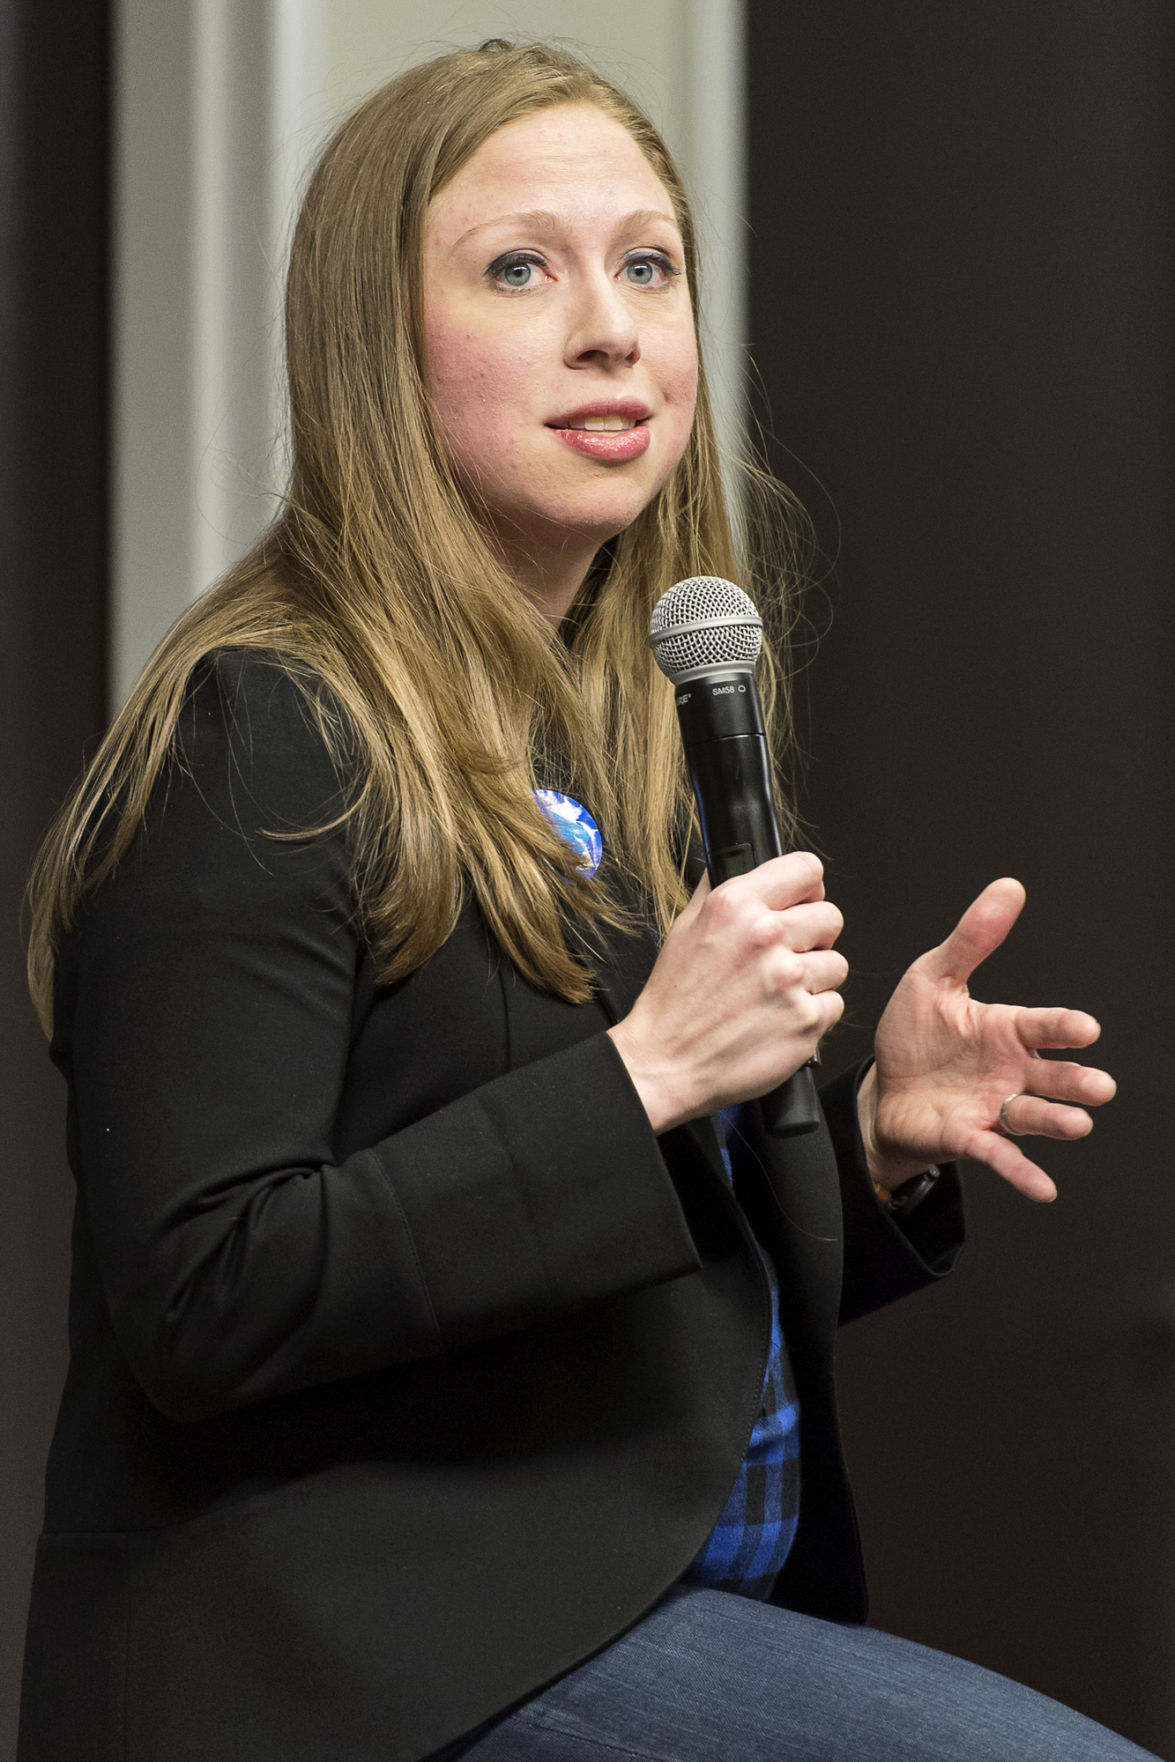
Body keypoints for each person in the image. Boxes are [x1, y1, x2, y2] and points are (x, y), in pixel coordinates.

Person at [18, 39, 1149, 1762]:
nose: (613, 327)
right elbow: (204, 1290)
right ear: (376, 349)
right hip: (369, 1670)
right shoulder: (265, 726)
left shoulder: (605, 726)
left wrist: (865, 1148)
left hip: (627, 1608)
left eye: (649, 265)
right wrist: (643, 1074)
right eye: (521, 269)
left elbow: (565, 1264)